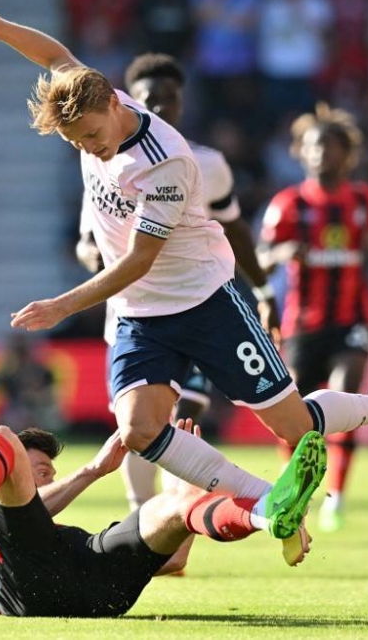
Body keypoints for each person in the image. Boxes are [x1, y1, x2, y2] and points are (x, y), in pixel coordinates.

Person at [0, 0, 368, 549]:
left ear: (114, 107)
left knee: (294, 426)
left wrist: (62, 305)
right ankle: (266, 498)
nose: (87, 147)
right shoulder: (90, 98)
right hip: (142, 314)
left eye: (89, 135)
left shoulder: (167, 164)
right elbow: (54, 55)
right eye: (74, 140)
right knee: (138, 431)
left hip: (205, 301)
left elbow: (140, 260)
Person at [76, 51, 279, 513]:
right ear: (125, 102)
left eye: (172, 100)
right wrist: (92, 256)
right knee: (140, 426)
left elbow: (235, 229)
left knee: (187, 413)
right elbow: (88, 238)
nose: (163, 108)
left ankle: (182, 514)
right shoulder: (105, 159)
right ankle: (143, 514)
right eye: (152, 99)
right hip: (133, 311)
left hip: (196, 304)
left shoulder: (206, 164)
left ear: (183, 104)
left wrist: (264, 289)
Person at [0, 402, 326, 616]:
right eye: (40, 472)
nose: (49, 481)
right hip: (25, 591)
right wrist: (92, 471)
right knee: (2, 436)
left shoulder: (40, 531)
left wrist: (182, 484)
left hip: (101, 587)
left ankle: (266, 514)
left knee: (176, 507)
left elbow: (173, 560)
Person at [258, 104, 368, 532]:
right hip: (302, 323)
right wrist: (280, 254)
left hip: (352, 318)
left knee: (346, 399)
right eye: (314, 147)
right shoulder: (288, 204)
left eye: (330, 147)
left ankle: (336, 497)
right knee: (294, 414)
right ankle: (294, 488)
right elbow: (258, 261)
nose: (321, 154)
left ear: (345, 154)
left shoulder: (364, 201)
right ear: (301, 152)